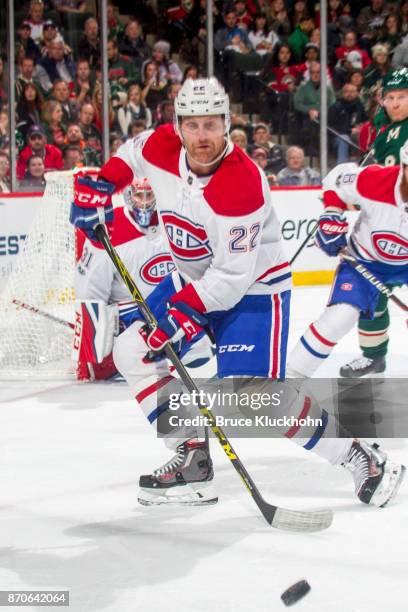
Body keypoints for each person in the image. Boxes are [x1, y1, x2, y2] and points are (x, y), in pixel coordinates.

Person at [69, 77, 404, 510]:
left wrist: (182, 312)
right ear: (178, 126)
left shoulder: (240, 182)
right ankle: (192, 457)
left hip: (253, 288)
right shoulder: (160, 146)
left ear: (227, 124)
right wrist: (103, 182)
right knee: (132, 350)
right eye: (193, 125)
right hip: (192, 276)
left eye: (212, 125)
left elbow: (230, 278)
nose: (202, 136)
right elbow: (131, 153)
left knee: (254, 398)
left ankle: (362, 458)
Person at [340, 68, 408, 377]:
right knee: (373, 295)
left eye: (402, 97)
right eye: (390, 98)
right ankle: (373, 355)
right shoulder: (385, 128)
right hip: (384, 230)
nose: (395, 104)